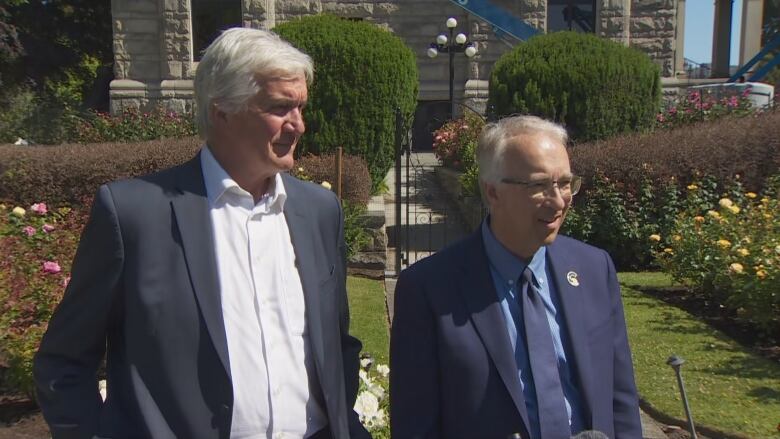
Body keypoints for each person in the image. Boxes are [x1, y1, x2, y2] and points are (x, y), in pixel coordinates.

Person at [33, 28, 370, 439]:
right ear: (222, 110)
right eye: (281, 108)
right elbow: (64, 362)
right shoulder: (135, 214)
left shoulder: (320, 211)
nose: (298, 125)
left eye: (300, 108)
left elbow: (337, 345)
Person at [390, 115, 641, 439]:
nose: (559, 200)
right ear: (492, 192)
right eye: (539, 185)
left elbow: (620, 399)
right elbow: (415, 427)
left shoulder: (594, 269)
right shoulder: (428, 289)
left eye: (565, 183)